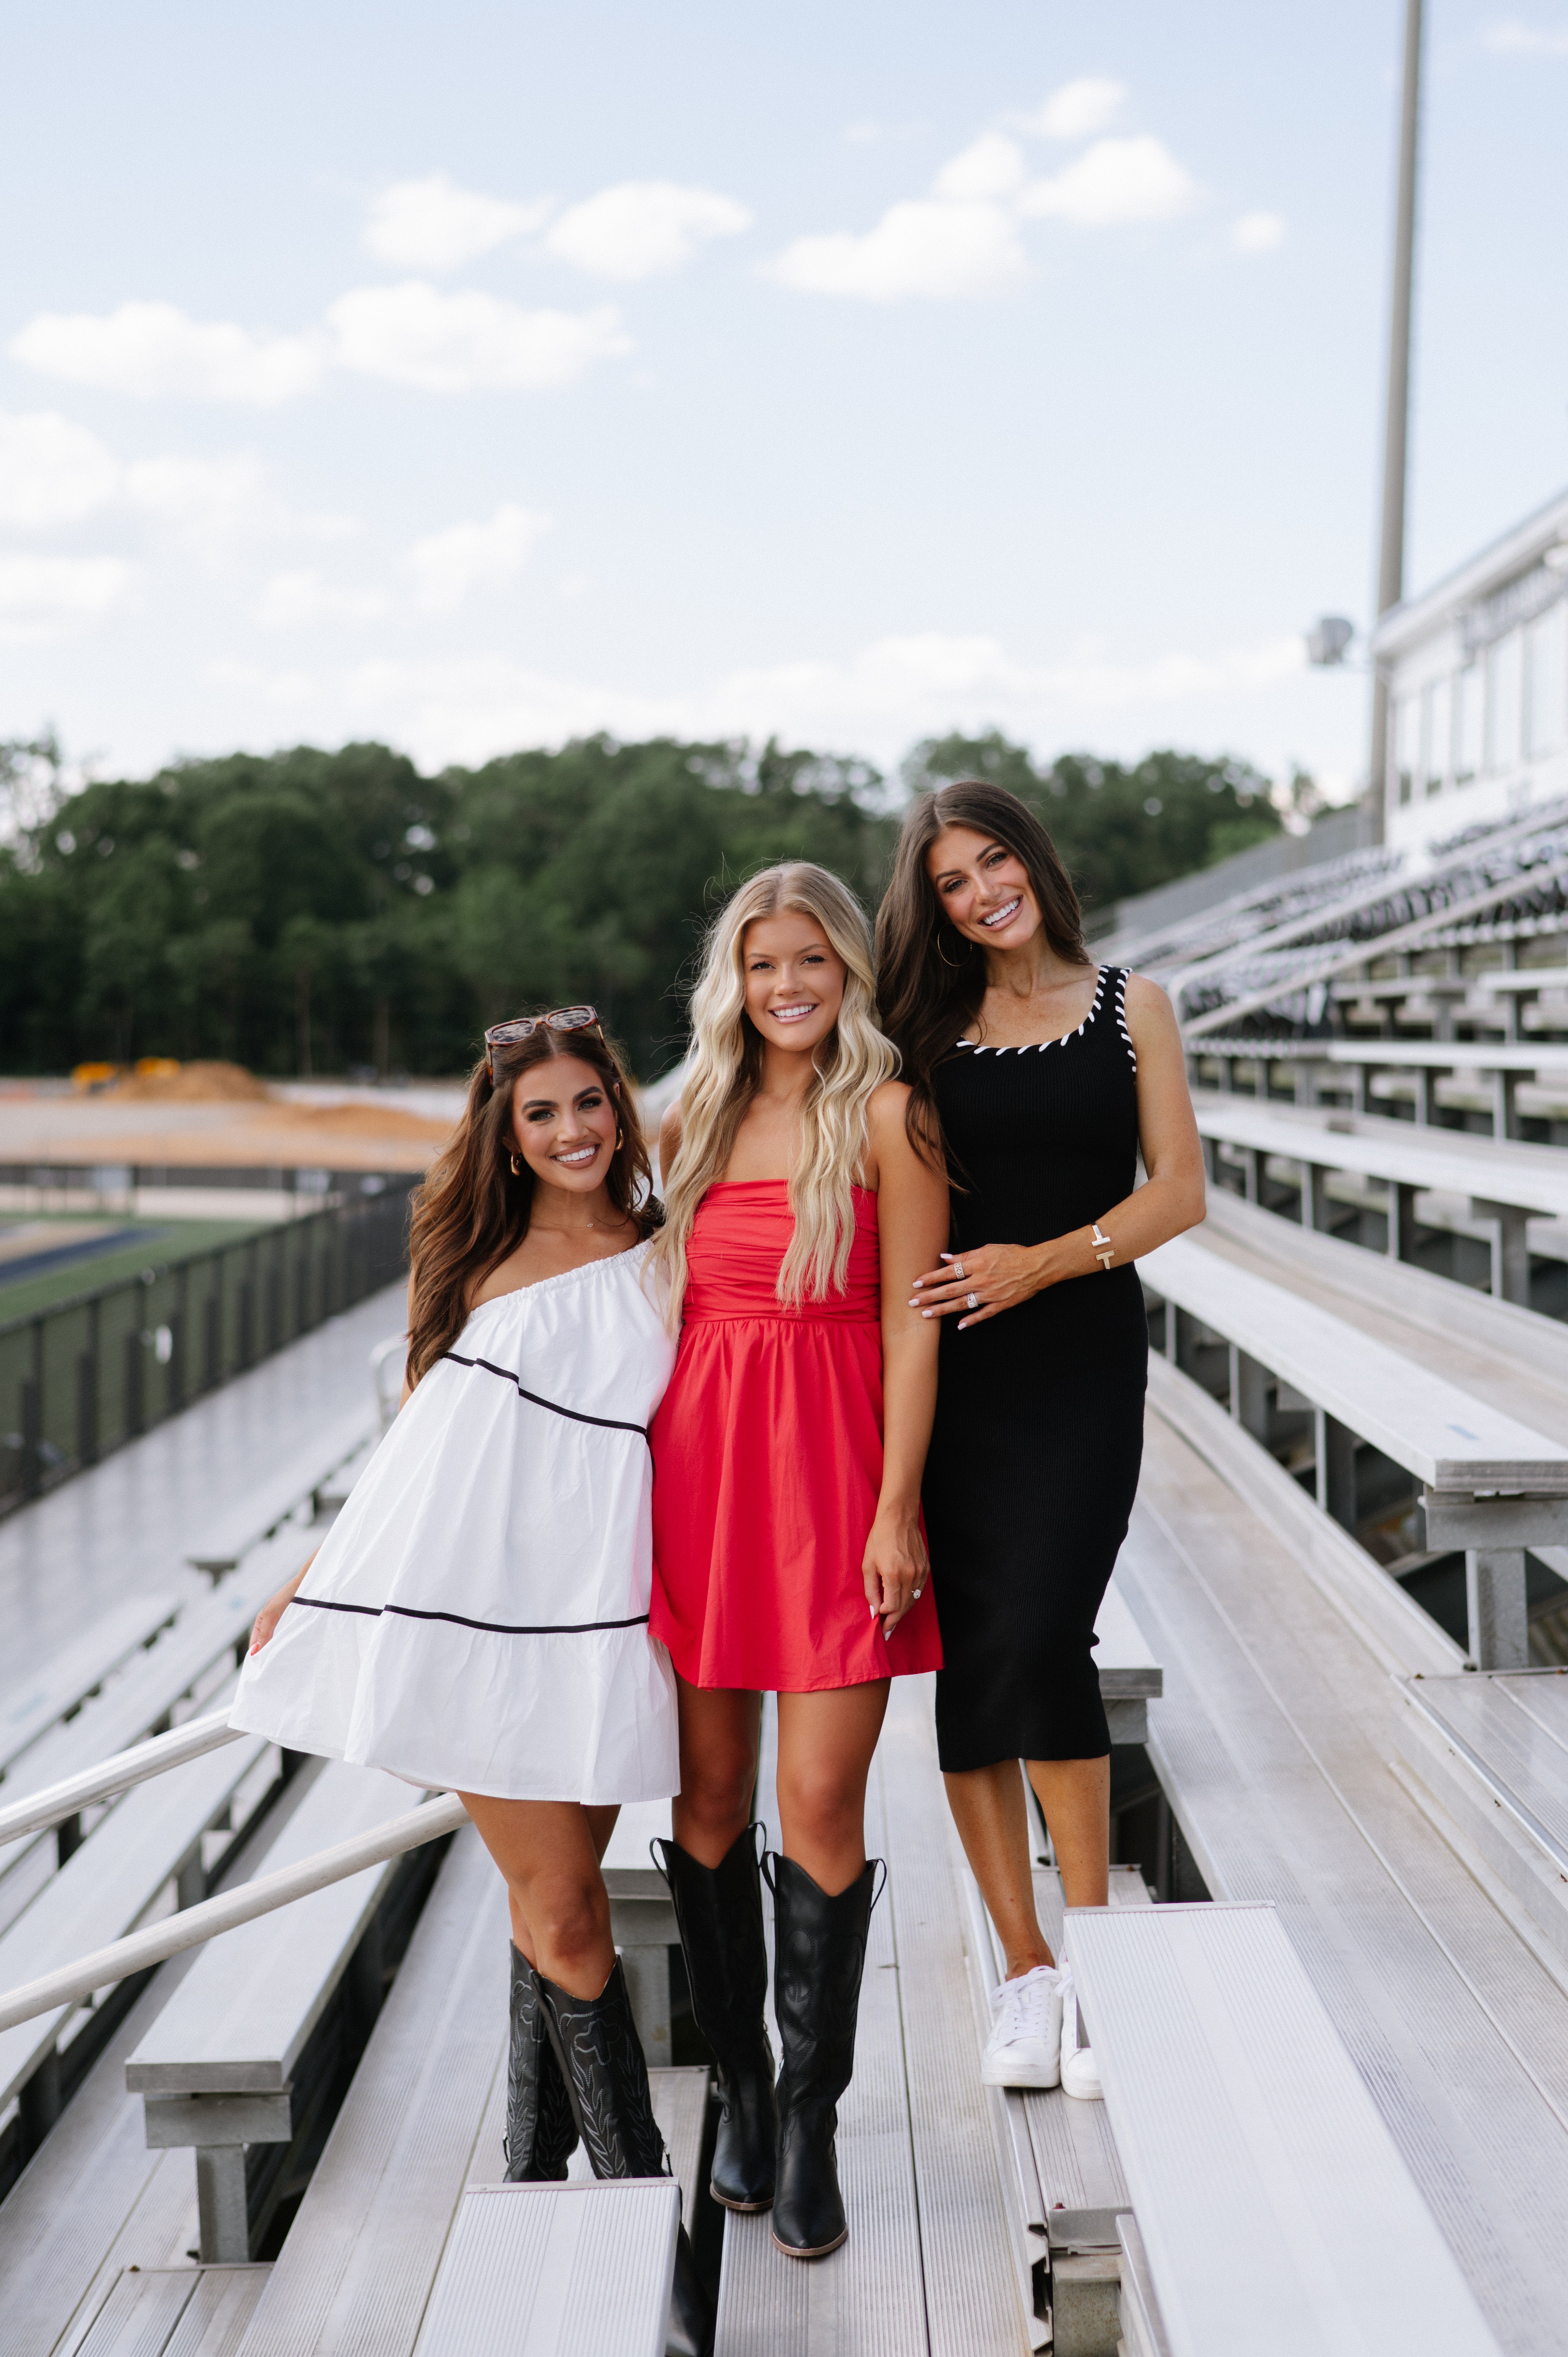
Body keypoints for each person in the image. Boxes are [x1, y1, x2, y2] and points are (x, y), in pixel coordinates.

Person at [232, 1008, 712, 2357]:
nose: (572, 1132)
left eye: (588, 1105)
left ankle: (530, 2183)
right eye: (541, 1115)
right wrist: (317, 1570)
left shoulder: (662, 1243)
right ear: (505, 1133)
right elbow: (419, 1450)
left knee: (543, 1907)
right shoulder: (478, 1260)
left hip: (612, 1609)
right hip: (482, 1613)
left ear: (621, 1105)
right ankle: (650, 2249)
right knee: (568, 1920)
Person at [876, 782, 1205, 2101]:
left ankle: (1105, 1960)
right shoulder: (919, 1034)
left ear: (1033, 860)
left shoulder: (1136, 1006)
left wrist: (1043, 1265)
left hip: (1077, 1365)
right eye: (951, 882)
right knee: (979, 1651)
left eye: (992, 862)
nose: (979, 893)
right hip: (955, 1372)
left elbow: (1176, 1192)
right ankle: (1029, 1975)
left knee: (1044, 1632)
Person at [647, 862, 947, 2262]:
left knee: (820, 1801)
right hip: (699, 1485)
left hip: (835, 1489)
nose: (787, 988)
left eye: (811, 962)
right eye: (764, 965)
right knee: (709, 1797)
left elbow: (910, 1326)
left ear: (847, 973)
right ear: (736, 978)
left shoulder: (890, 1116)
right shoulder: (689, 1118)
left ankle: (817, 2120)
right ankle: (742, 2093)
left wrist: (898, 1509)